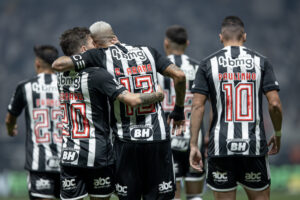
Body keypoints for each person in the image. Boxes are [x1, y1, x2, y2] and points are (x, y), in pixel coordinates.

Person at [52, 21, 186, 200]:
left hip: (126, 140)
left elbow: (59, 65)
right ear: (114, 37)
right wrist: (178, 109)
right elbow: (180, 75)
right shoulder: (149, 51)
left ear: (96, 44)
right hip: (157, 137)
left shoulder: (99, 55)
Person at [189, 16, 282, 200]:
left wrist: (193, 144)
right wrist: (277, 133)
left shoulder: (207, 64)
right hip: (253, 146)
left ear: (220, 37)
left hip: (221, 146)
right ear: (244, 36)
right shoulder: (262, 62)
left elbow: (198, 106)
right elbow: (275, 104)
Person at [6, 45, 61, 200]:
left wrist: (11, 129)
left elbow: (10, 118)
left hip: (39, 162)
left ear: (37, 63)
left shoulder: (26, 87)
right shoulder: (67, 86)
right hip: (67, 160)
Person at [158, 25, 205, 200]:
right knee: (195, 194)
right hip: (194, 136)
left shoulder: (158, 68)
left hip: (167, 136)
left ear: (166, 43)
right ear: (187, 43)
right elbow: (204, 104)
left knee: (172, 193)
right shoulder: (199, 67)